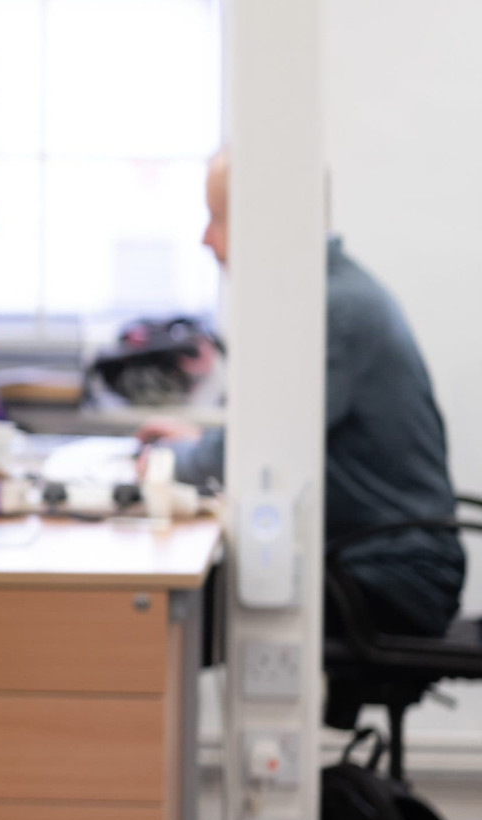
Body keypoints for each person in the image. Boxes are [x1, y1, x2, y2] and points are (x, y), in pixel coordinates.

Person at [142, 152, 465, 639]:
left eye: (217, 220)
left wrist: (166, 462)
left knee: (165, 616)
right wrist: (194, 443)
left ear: (265, 219)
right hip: (371, 556)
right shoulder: (329, 293)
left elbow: (263, 451)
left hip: (391, 576)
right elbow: (271, 434)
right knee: (184, 604)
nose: (205, 239)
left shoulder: (334, 310)